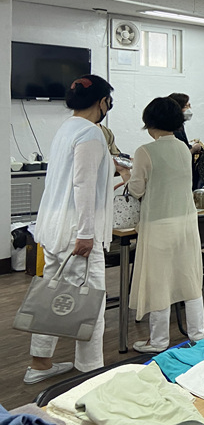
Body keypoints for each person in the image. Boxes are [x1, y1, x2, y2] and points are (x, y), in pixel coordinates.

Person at [25, 75, 125, 385]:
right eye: (109, 100)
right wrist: (86, 233)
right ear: (102, 102)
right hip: (75, 231)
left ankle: (40, 363)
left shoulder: (66, 128)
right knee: (90, 299)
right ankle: (90, 370)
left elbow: (78, 180)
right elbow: (83, 185)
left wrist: (115, 172)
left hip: (54, 227)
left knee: (52, 294)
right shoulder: (91, 133)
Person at [127, 97, 204, 351]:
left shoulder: (145, 151)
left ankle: (159, 341)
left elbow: (137, 190)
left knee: (159, 282)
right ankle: (198, 336)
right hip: (186, 222)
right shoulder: (184, 148)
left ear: (149, 122)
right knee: (190, 279)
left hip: (159, 224)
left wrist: (126, 174)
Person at [169, 92, 203, 188]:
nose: (189, 109)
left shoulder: (180, 126)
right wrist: (194, 148)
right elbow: (179, 155)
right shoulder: (172, 129)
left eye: (189, 106)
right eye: (185, 106)